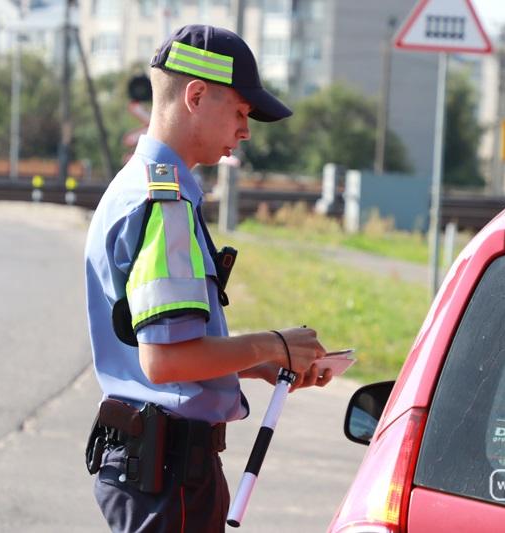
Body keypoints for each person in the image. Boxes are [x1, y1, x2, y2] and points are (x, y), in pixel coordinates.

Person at [84, 24, 332, 532]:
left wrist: (262, 362)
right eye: (240, 112)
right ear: (196, 95)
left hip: (156, 471)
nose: (245, 130)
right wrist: (270, 344)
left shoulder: (143, 188)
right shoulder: (166, 204)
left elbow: (163, 349)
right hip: (172, 479)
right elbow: (166, 359)